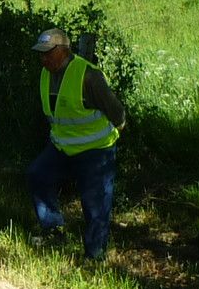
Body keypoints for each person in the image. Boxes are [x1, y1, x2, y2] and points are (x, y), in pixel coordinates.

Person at [27, 28, 126, 262]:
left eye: (48, 53)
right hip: (61, 147)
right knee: (37, 175)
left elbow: (117, 113)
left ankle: (95, 255)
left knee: (95, 203)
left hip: (95, 151)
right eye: (41, 54)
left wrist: (111, 139)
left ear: (63, 51)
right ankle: (53, 230)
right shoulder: (45, 74)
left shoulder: (88, 75)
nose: (43, 59)